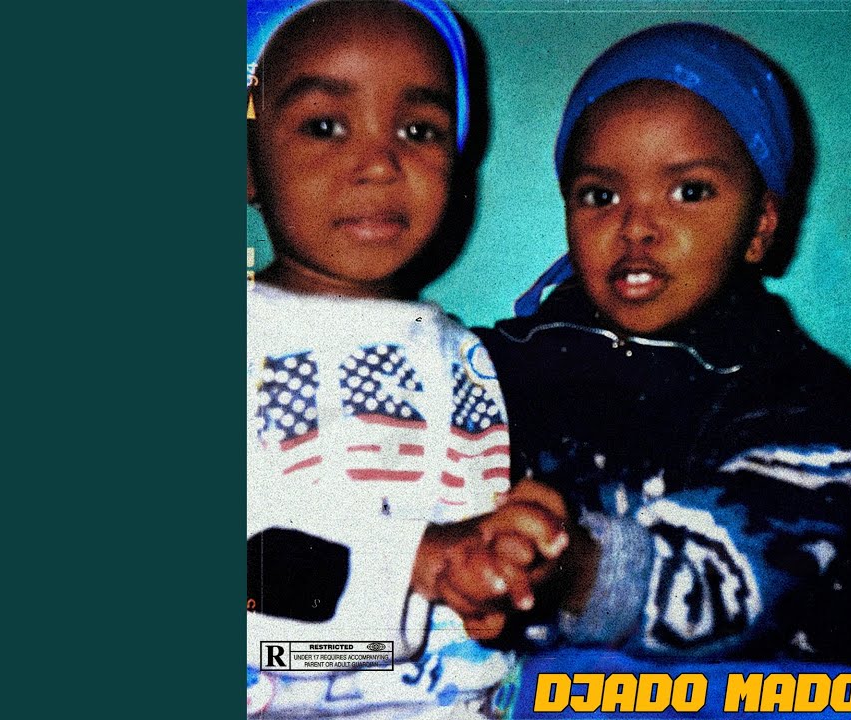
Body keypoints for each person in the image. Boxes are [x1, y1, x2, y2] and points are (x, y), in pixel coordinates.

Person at [475, 23, 851, 717]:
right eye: (600, 195)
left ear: (761, 225)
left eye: (689, 191)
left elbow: (737, 585)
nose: (636, 226)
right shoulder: (493, 369)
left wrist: (573, 569)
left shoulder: (802, 396)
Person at [243, 1, 564, 716]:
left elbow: (474, 584)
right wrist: (409, 564)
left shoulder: (468, 358)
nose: (381, 161)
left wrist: (509, 575)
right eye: (325, 126)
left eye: (418, 130)